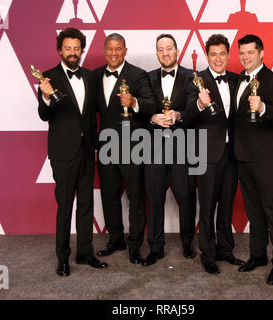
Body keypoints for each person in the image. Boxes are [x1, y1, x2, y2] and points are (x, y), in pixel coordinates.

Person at [37, 28, 107, 276]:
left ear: (82, 50)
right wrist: (46, 98)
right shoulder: (46, 78)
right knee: (65, 206)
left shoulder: (90, 76)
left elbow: (93, 116)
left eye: (76, 48)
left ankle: (85, 252)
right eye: (68, 48)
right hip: (63, 153)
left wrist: (98, 146)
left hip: (88, 150)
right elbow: (44, 115)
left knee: (86, 204)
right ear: (60, 50)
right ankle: (63, 258)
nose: (72, 52)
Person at [93, 33, 156, 264]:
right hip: (106, 147)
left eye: (118, 49)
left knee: (136, 198)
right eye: (110, 49)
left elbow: (151, 105)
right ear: (104, 50)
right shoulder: (96, 75)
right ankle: (115, 239)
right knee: (109, 196)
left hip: (133, 146)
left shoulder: (138, 74)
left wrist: (134, 102)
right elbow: (89, 113)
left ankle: (136, 245)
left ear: (125, 50)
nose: (114, 53)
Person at [234, 34, 273, 285]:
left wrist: (263, 108)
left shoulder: (272, 81)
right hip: (243, 156)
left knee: (271, 208)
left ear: (261, 53)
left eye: (250, 52)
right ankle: (258, 255)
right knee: (253, 210)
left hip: (267, 158)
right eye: (242, 53)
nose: (245, 57)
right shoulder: (239, 79)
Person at [186, 34, 244, 274]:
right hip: (207, 153)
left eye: (222, 54)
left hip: (233, 153)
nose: (218, 58)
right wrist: (199, 104)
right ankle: (207, 254)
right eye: (213, 54)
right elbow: (186, 117)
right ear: (207, 55)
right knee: (208, 205)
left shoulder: (236, 79)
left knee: (227, 203)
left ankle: (225, 249)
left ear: (228, 55)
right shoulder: (196, 81)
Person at [142, 34, 197, 267]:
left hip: (182, 147)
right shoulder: (147, 78)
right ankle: (155, 247)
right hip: (154, 147)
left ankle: (187, 242)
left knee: (185, 196)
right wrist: (152, 116)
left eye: (169, 48)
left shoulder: (192, 77)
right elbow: (141, 109)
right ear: (157, 53)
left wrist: (179, 115)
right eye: (160, 49)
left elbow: (195, 109)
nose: (165, 53)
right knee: (154, 198)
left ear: (177, 51)